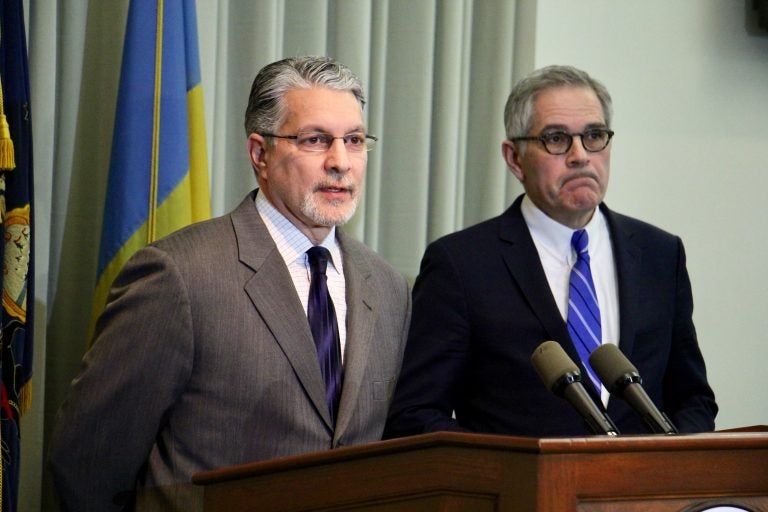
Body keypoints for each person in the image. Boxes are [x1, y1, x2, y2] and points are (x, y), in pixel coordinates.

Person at [49, 56, 411, 511]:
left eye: (354, 141)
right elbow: (88, 461)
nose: (341, 163)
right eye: (315, 140)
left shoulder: (389, 288)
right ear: (260, 153)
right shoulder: (178, 275)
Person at [384, 65, 717, 439]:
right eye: (556, 139)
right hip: (520, 492)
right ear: (514, 158)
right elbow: (416, 413)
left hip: (639, 492)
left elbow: (692, 399)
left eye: (594, 135)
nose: (580, 155)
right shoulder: (461, 265)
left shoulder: (660, 254)